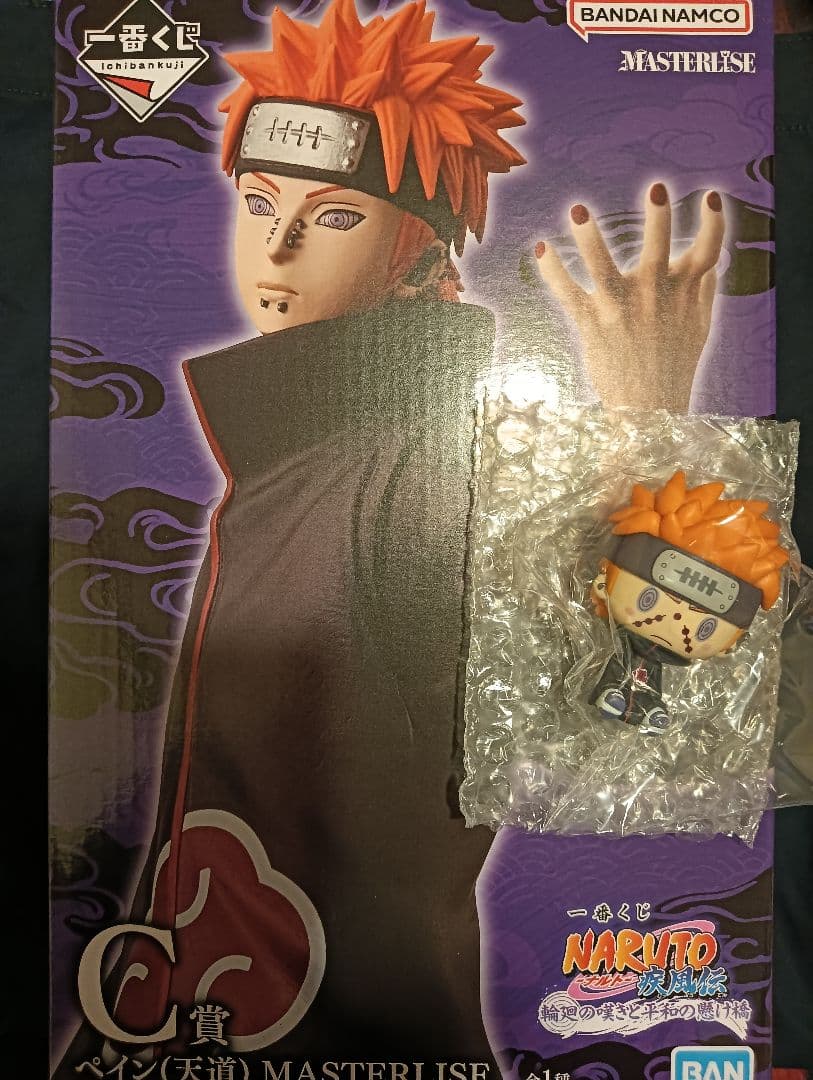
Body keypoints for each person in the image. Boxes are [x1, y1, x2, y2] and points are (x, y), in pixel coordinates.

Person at [55, 0, 730, 1070]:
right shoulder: (288, 464)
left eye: (332, 217)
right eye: (259, 201)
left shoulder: (414, 469)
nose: (276, 245)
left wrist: (644, 431)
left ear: (420, 253)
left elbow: (638, 723)